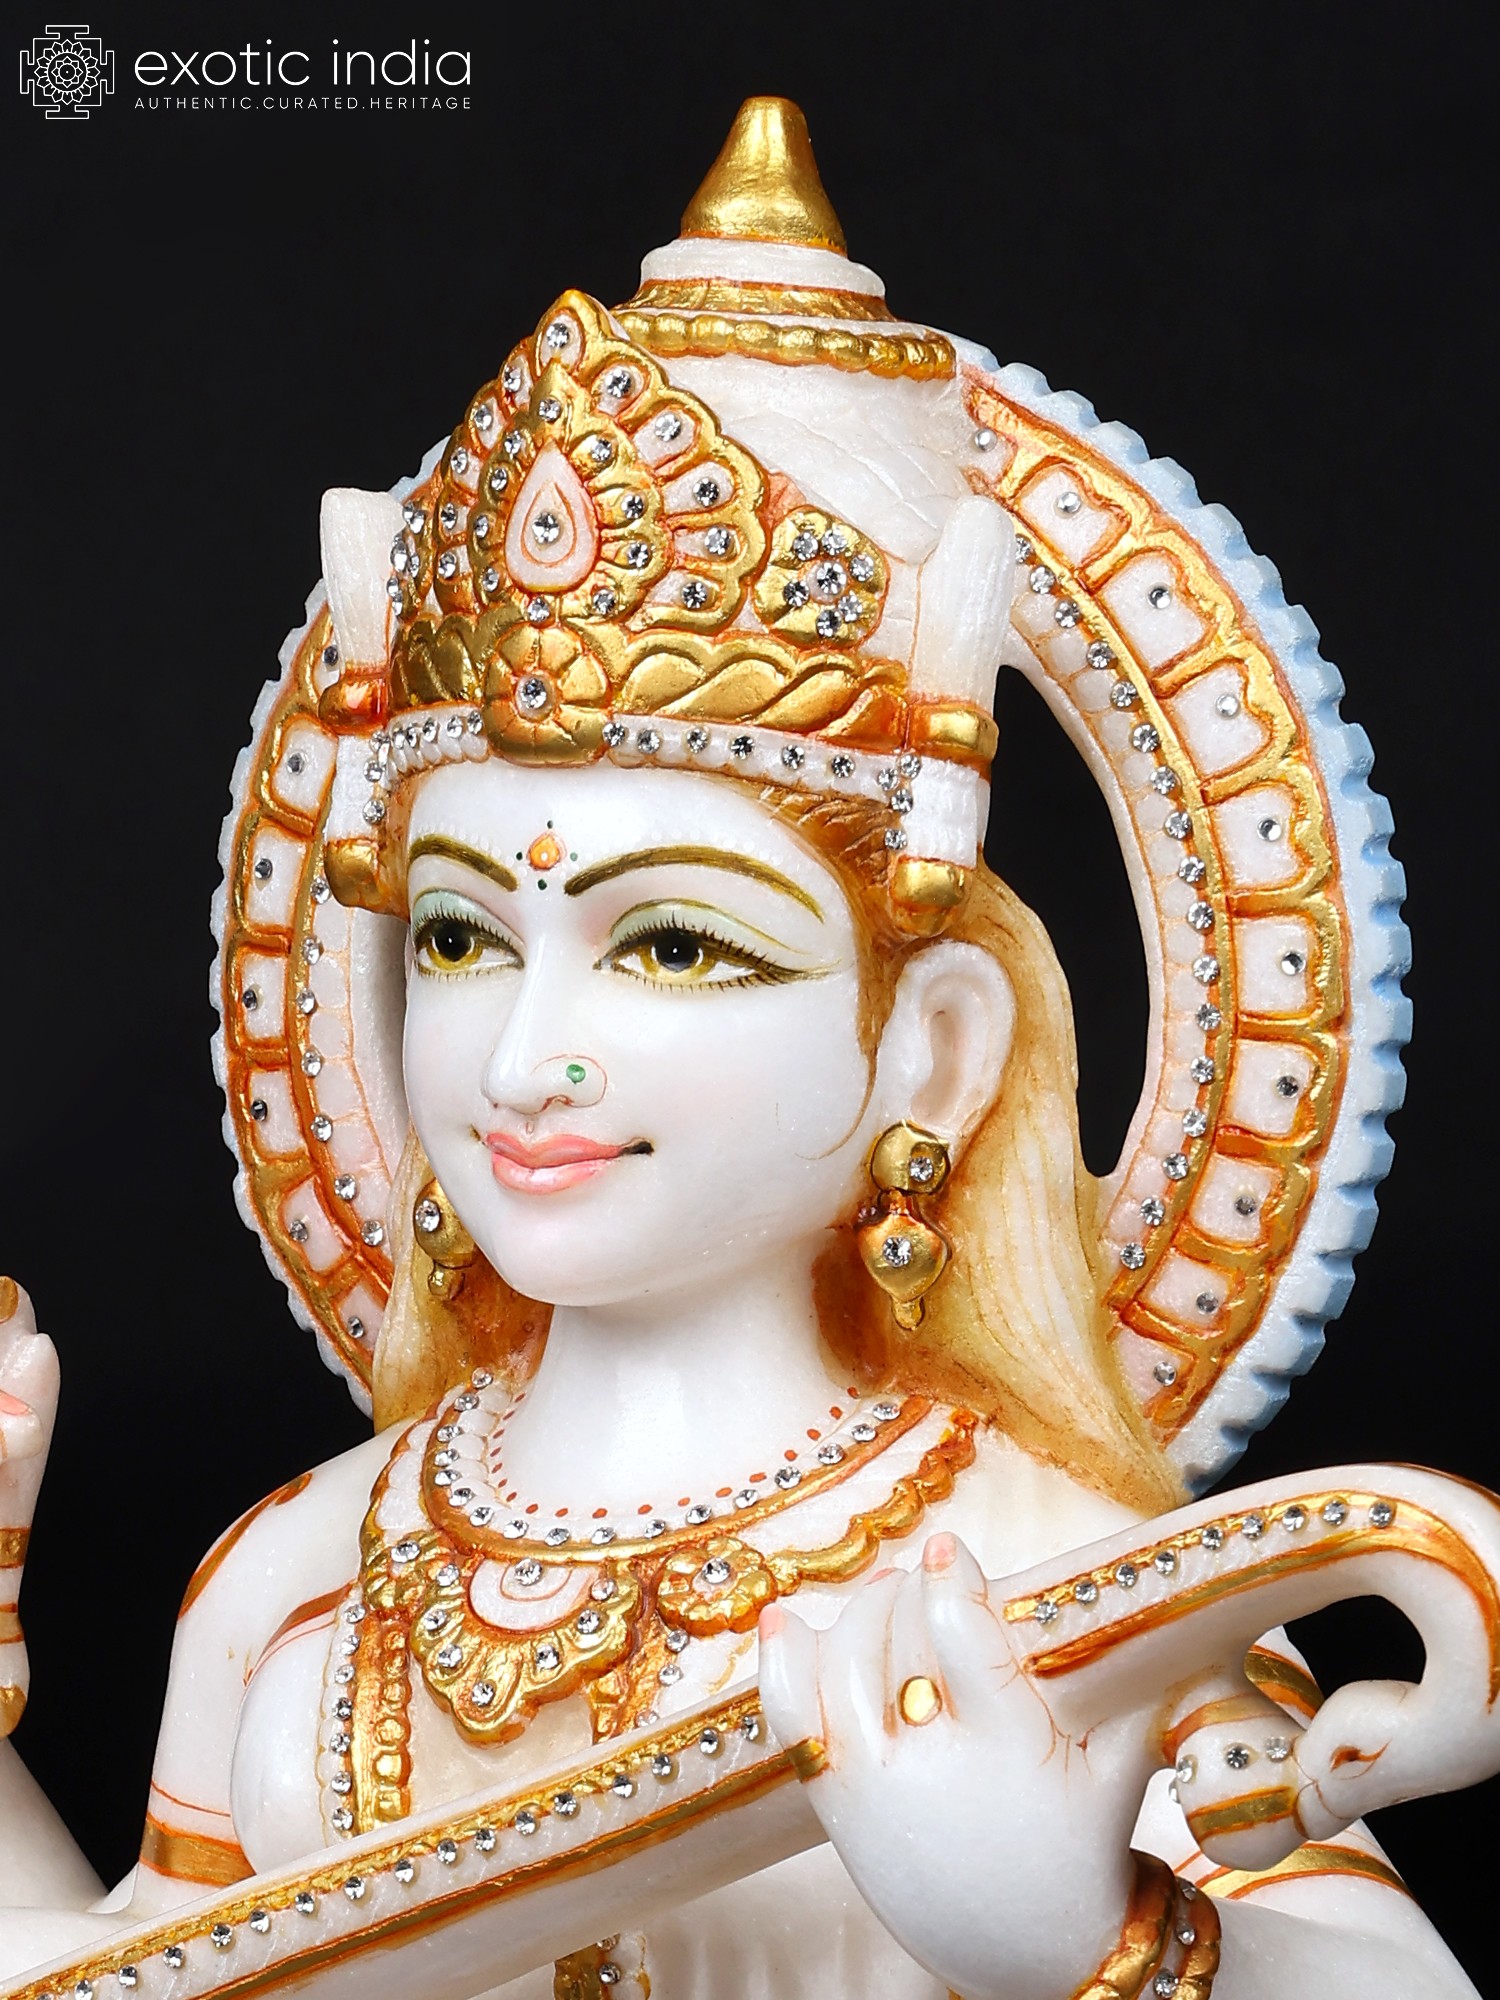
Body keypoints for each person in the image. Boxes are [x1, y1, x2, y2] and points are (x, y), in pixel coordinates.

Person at [0, 99, 1485, 1999]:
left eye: (676, 945)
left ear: (933, 1052)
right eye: (459, 936)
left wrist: (1101, 1945)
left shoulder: (1058, 1578)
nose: (524, 1057)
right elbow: (129, 1976)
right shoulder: (293, 1572)